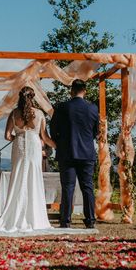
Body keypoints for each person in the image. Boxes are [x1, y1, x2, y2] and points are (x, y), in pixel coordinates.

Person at [0, 86, 95, 236]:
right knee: (34, 177)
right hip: (34, 146)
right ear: (33, 98)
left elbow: (7, 136)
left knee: (18, 177)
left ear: (20, 97)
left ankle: (14, 215)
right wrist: (57, 146)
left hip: (19, 145)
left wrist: (18, 138)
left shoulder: (14, 113)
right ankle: (34, 216)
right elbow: (45, 137)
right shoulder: (39, 114)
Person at [50, 79, 99, 229]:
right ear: (85, 90)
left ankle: (65, 221)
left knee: (68, 188)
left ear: (71, 91)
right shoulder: (93, 108)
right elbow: (96, 131)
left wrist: (62, 142)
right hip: (86, 153)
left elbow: (53, 130)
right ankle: (90, 220)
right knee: (88, 188)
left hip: (67, 152)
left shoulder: (62, 107)